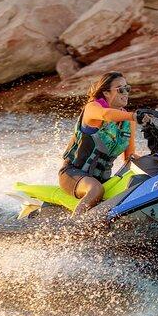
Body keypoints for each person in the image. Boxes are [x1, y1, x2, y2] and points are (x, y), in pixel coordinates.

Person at [59, 71, 150, 216]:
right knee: (96, 189)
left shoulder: (128, 122)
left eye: (127, 88)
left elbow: (129, 157)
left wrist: (156, 162)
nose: (126, 93)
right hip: (73, 174)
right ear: (106, 92)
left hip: (103, 180)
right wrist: (134, 116)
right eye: (120, 89)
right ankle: (74, 226)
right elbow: (106, 114)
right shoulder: (92, 108)